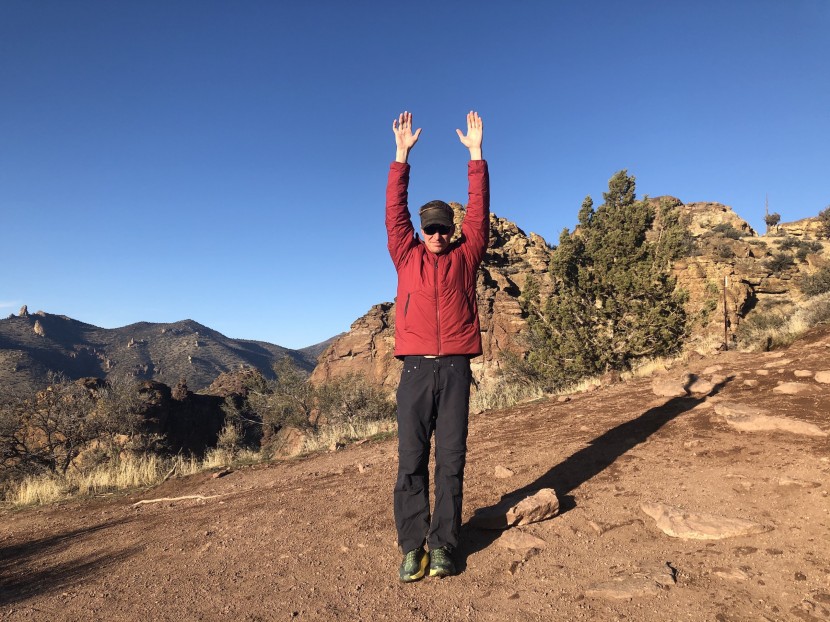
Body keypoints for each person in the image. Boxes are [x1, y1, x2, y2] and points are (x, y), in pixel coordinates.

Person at [386, 110, 489, 581]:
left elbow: (480, 212)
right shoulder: (405, 254)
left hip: (454, 370)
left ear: (453, 230)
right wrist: (401, 156)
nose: (436, 235)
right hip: (414, 371)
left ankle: (444, 544)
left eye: (443, 227)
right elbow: (394, 211)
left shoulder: (466, 257)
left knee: (451, 460)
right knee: (411, 461)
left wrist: (475, 155)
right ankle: (413, 546)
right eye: (429, 228)